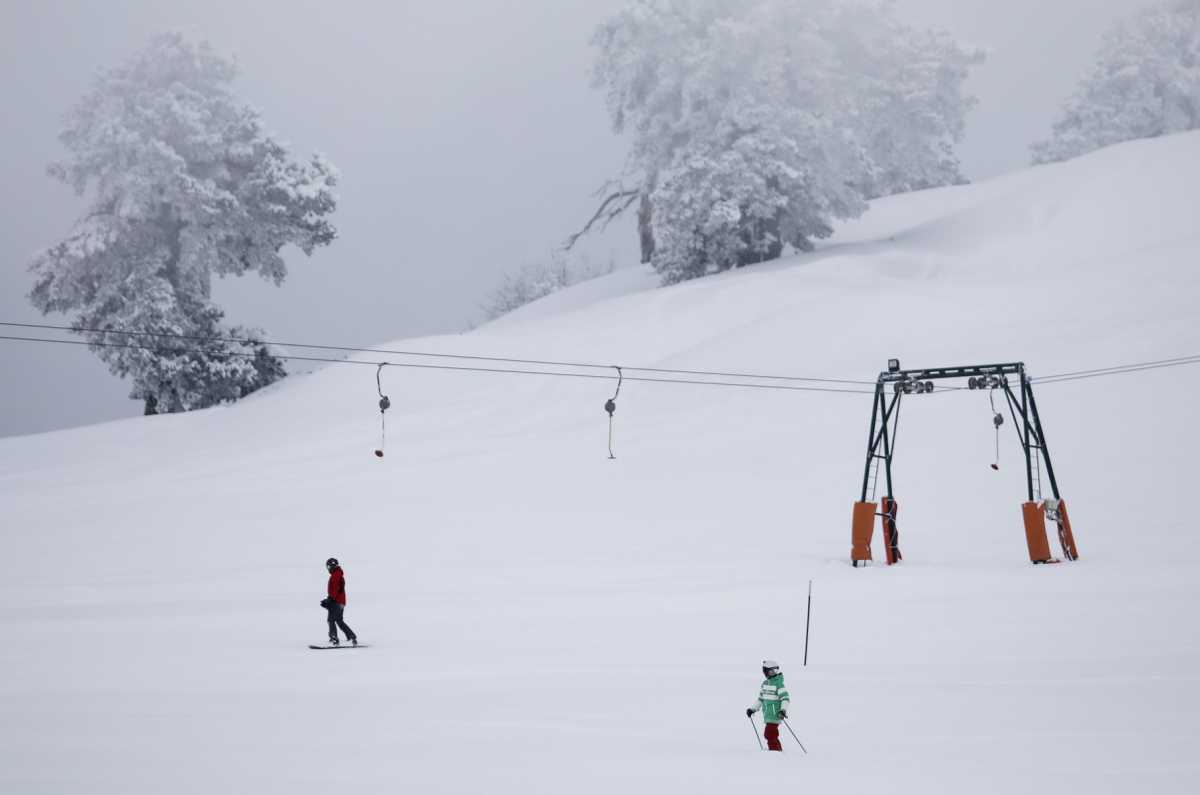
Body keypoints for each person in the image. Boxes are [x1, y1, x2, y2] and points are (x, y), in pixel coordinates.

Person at [746, 659, 790, 751]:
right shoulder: (765, 684)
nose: (773, 673)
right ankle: (778, 752)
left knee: (769, 734)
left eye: (775, 670)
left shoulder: (779, 684)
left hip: (776, 715)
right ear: (765, 672)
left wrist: (783, 710)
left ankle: (774, 753)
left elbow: (785, 698)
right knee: (771, 735)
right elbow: (761, 699)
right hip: (767, 715)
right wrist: (752, 709)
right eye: (771, 671)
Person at [320, 557, 358, 646]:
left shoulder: (336, 575)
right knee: (339, 621)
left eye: (328, 567)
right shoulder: (337, 574)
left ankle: (334, 638)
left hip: (336, 602)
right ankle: (351, 636)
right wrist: (329, 599)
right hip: (339, 601)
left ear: (332, 566)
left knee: (331, 620)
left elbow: (336, 589)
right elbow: (337, 590)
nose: (328, 569)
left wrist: (330, 599)